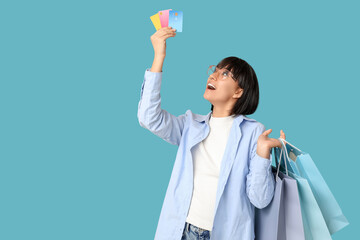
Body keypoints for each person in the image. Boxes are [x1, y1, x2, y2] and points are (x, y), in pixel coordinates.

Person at [137, 26, 287, 240]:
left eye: (225, 73)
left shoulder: (254, 132)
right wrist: (159, 56)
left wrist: (263, 153)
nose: (214, 75)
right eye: (214, 70)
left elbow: (260, 199)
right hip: (182, 232)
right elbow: (148, 117)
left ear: (238, 91)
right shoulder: (190, 125)